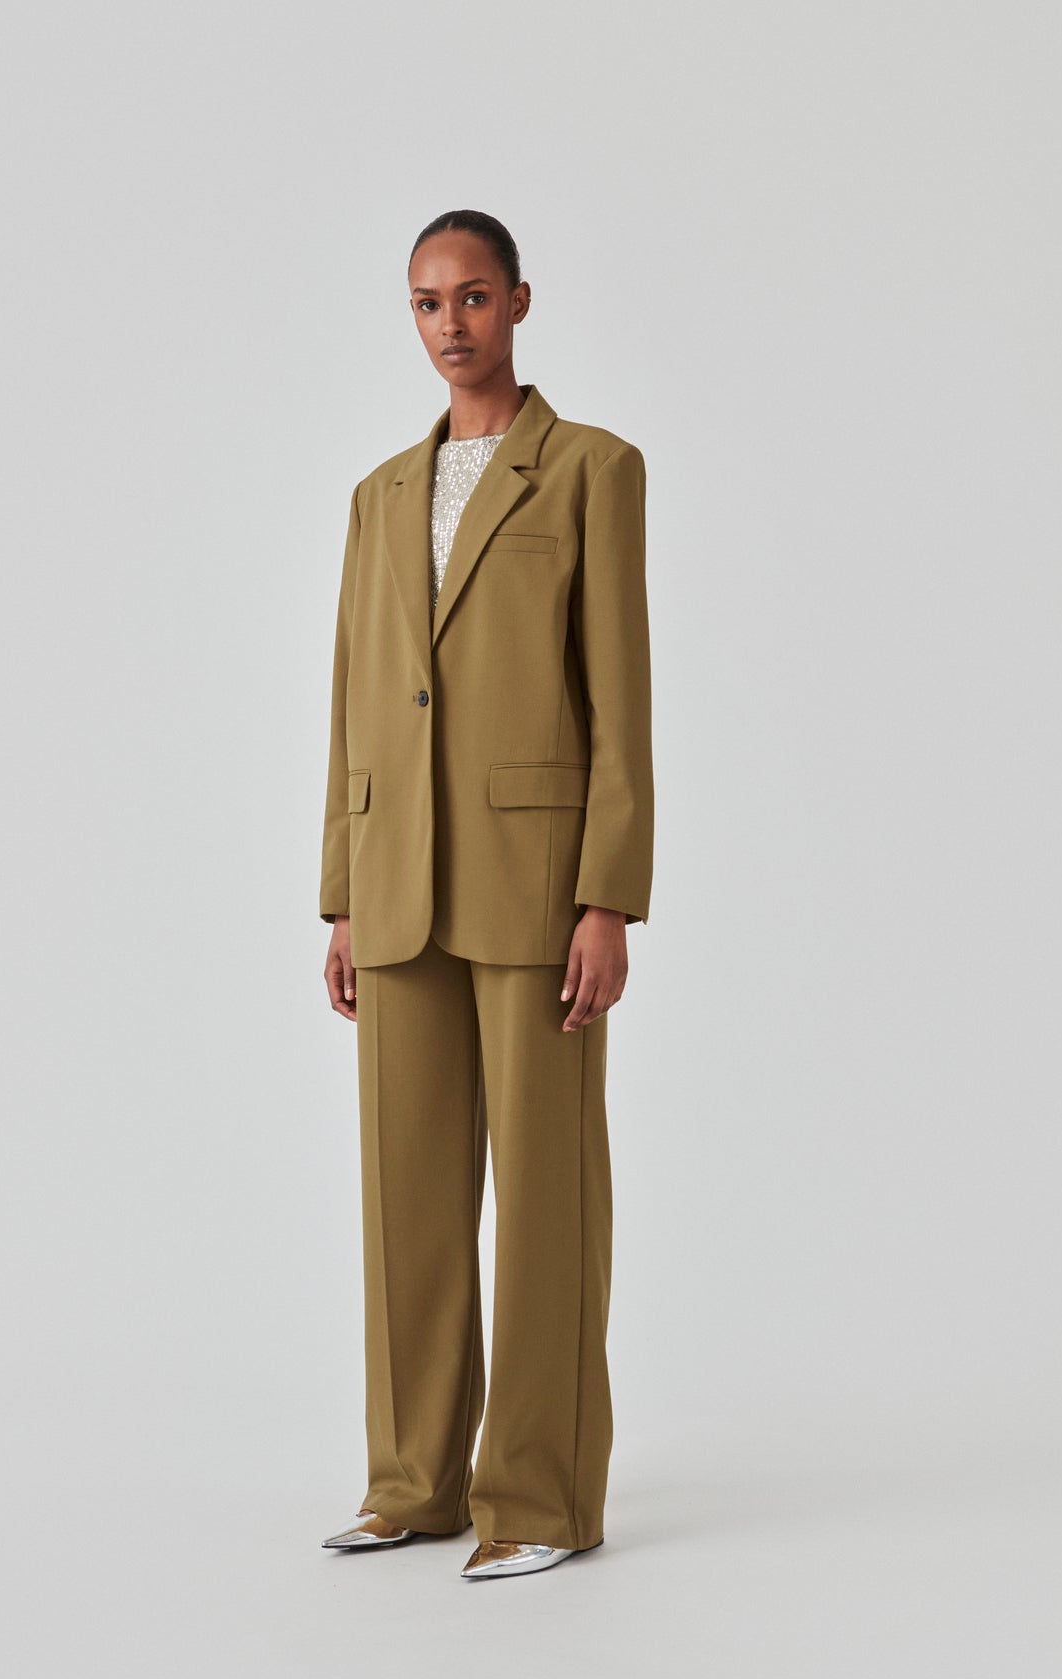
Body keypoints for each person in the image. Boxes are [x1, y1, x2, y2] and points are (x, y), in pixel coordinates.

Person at [317, 209, 654, 1581]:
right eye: (425, 302)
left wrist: (607, 897)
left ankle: (541, 1495)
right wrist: (341, 893)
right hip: (399, 880)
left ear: (518, 301)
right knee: (405, 1194)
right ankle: (414, 1482)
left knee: (549, 1194)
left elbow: (618, 699)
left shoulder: (592, 470)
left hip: (536, 884)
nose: (448, 323)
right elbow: (354, 701)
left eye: (470, 296)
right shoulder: (379, 496)